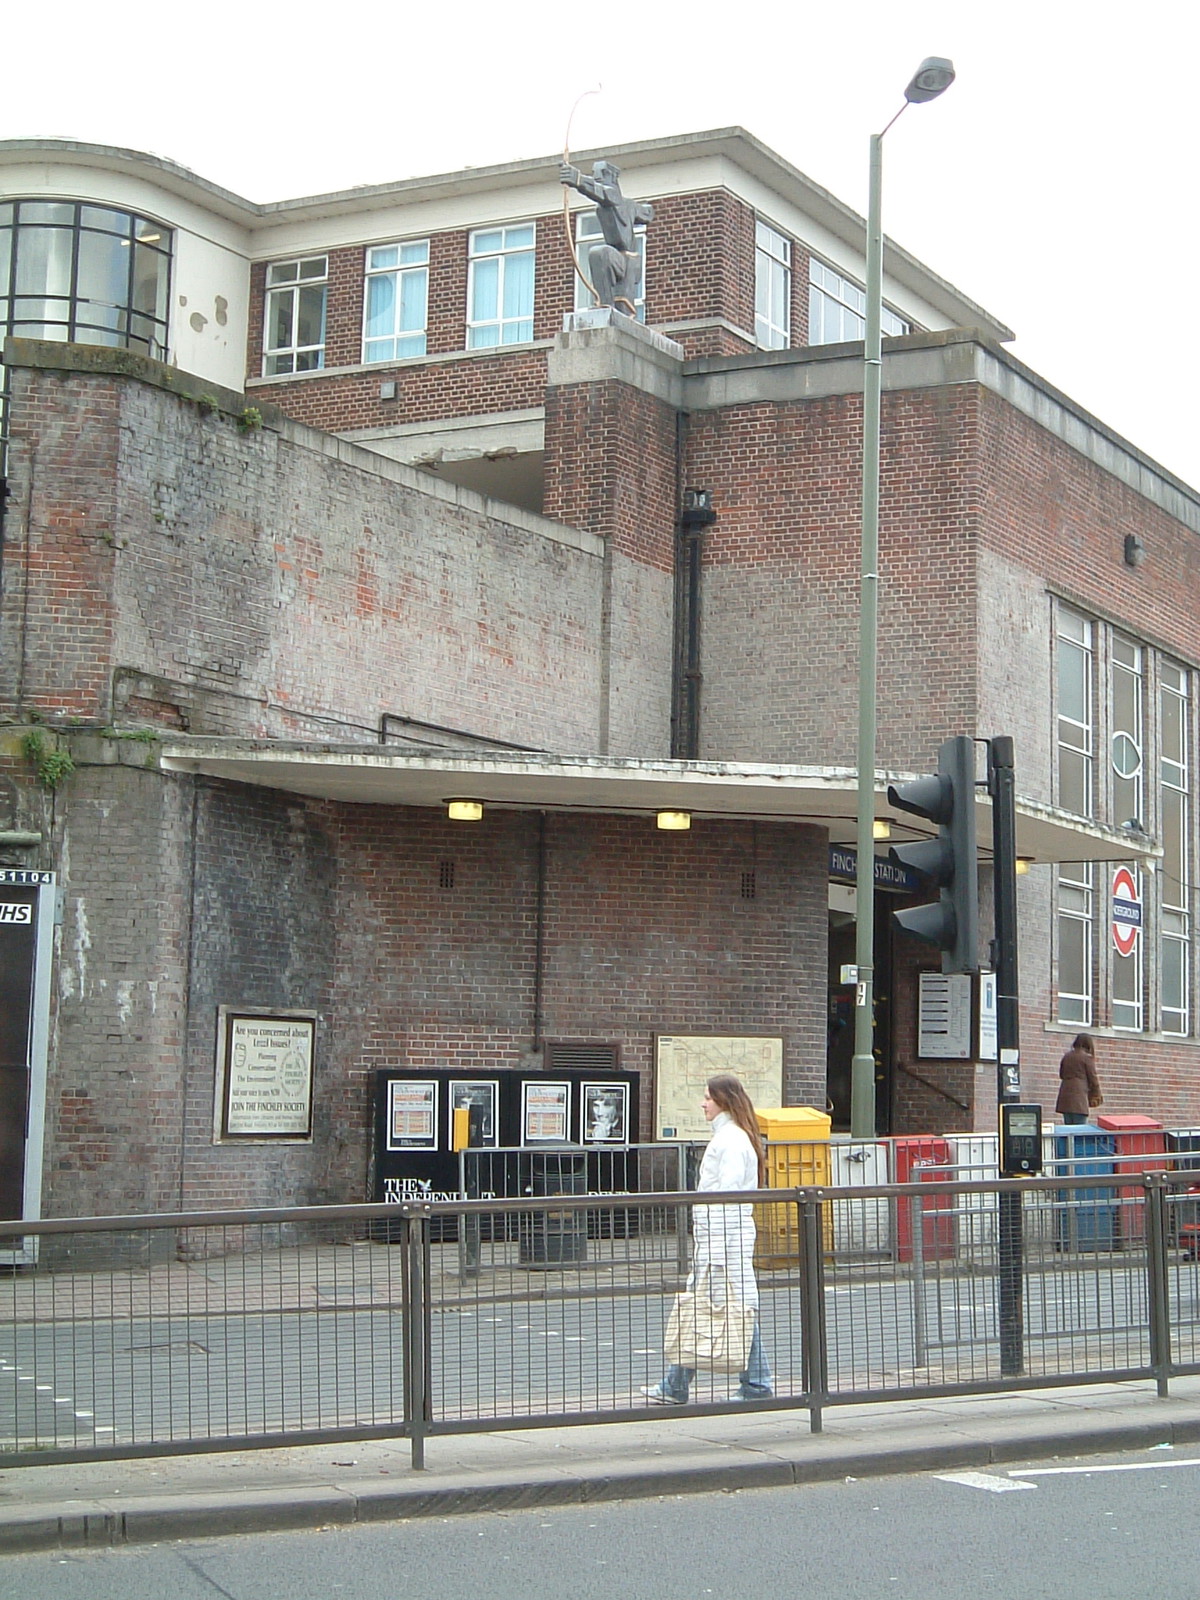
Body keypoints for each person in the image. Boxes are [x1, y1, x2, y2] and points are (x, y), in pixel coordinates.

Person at [641, 1074, 772, 1404]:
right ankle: (683, 1384)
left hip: (722, 1244)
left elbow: (725, 1199)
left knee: (728, 1309)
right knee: (722, 1308)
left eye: (708, 1098)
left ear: (724, 1101)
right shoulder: (735, 1138)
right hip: (722, 1242)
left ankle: (752, 1385)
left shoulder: (730, 1142)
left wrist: (715, 1252)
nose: (703, 1103)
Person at [1056, 1033, 1101, 1124]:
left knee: (1068, 1129)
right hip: (1079, 1098)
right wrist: (1097, 1095)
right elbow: (1093, 1079)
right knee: (1080, 1130)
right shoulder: (1086, 1058)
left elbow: (1061, 1074)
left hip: (1065, 1097)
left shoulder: (1067, 1056)